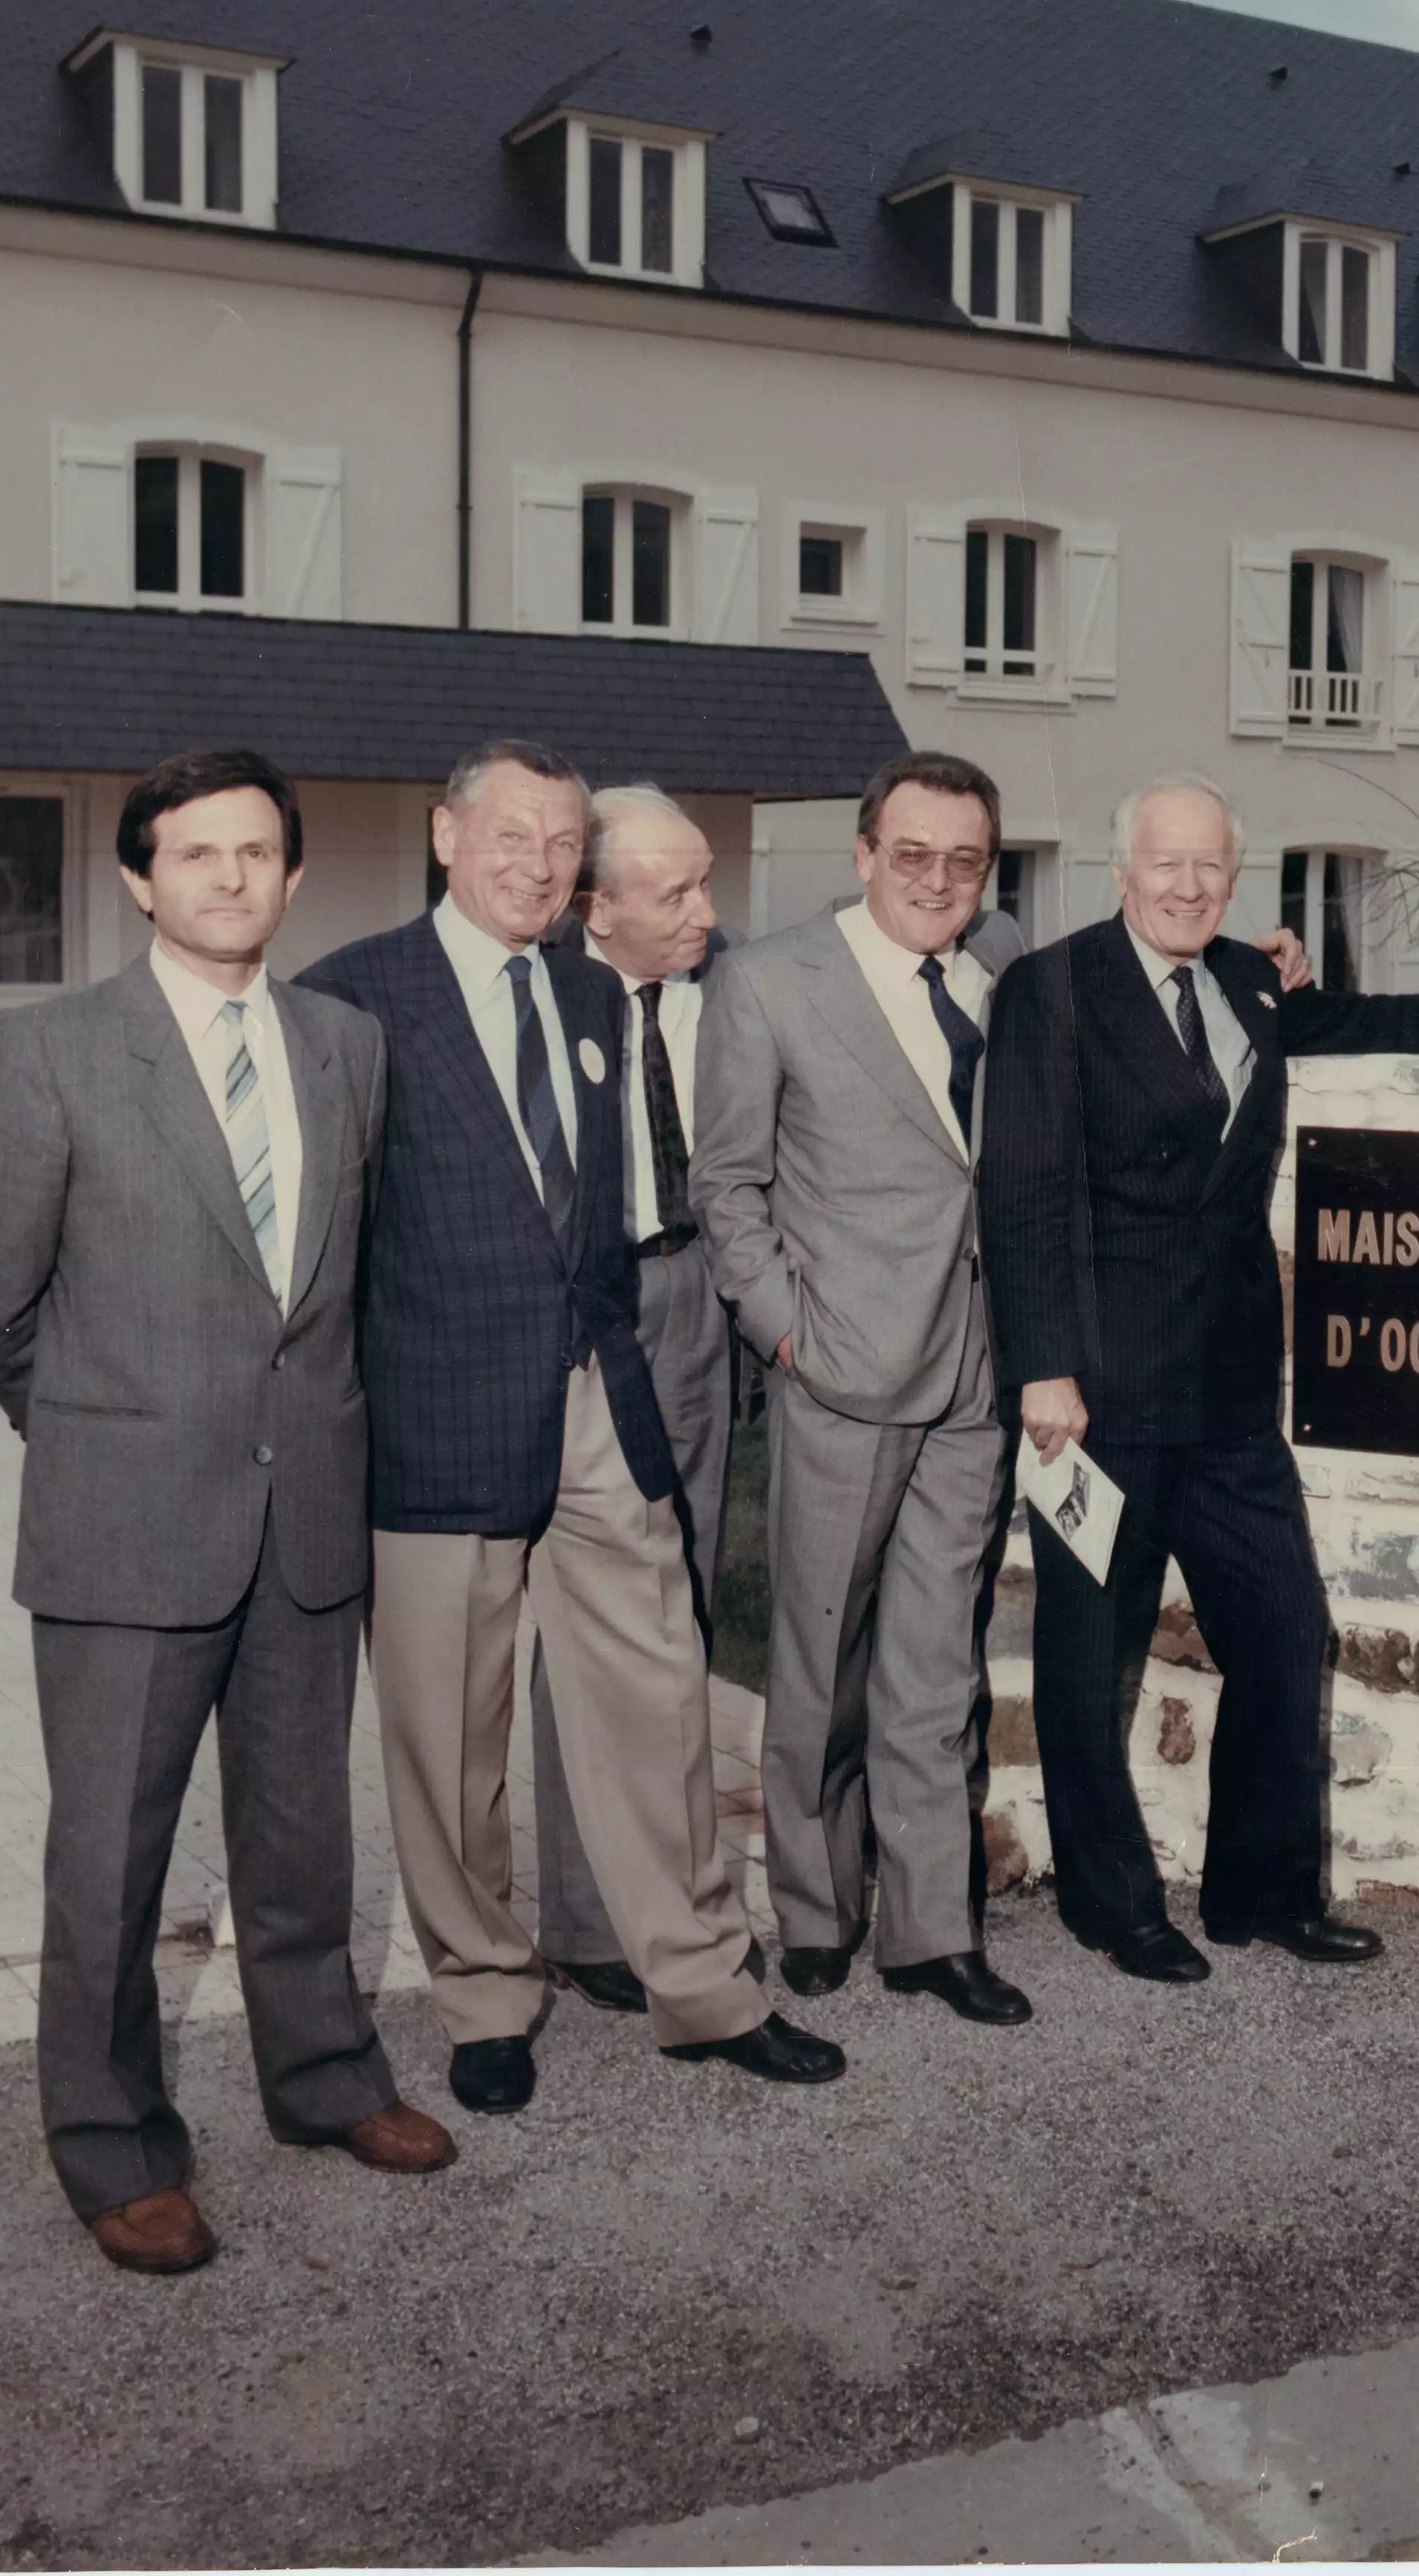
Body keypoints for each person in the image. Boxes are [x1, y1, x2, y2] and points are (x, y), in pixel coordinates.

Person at [0, 747, 452, 2275]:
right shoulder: (50, 1050)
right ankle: (112, 2142)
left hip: (307, 1512)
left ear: (294, 876)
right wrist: (94, 1425)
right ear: (138, 879)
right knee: (109, 1853)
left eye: (256, 852)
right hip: (124, 1519)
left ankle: (324, 2074)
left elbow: (337, 1284)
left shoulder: (347, 1046)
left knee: (301, 1830)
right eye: (196, 852)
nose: (230, 876)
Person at [976, 775, 1419, 1980]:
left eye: (1209, 867)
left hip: (1227, 1388)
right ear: (1120, 871)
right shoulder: (1050, 988)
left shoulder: (1250, 981)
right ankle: (1112, 1904)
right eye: (1165, 864)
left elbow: (1379, 1023)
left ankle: (1261, 1893)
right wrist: (1043, 1369)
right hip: (1099, 1390)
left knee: (1283, 1630)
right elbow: (1018, 1190)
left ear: (1234, 876)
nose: (1187, 886)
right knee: (1087, 1656)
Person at [301, 741, 840, 2111]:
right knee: (451, 1741)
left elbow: (594, 1215)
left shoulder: (594, 990)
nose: (537, 866)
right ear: (444, 835)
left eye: (559, 844)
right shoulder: (353, 997)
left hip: (600, 1403)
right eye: (511, 836)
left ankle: (705, 1986)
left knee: (659, 1697)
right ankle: (486, 1996)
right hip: (438, 1429)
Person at [692, 750, 1036, 2027]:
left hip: (976, 1371)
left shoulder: (1005, 961)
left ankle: (932, 1930)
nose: (937, 881)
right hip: (841, 1365)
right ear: (862, 851)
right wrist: (786, 1333)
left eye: (965, 860)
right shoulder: (769, 981)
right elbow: (727, 1184)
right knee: (820, 1658)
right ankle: (817, 1910)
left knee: (937, 1665)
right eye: (913, 855)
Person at [525, 787, 736, 2015]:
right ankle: (584, 1915)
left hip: (699, 1295)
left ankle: (684, 1898)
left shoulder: (728, 983)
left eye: (707, 882)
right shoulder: (545, 1002)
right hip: (589, 1317)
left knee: (683, 1607)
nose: (707, 910)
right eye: (678, 891)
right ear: (597, 907)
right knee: (591, 1619)